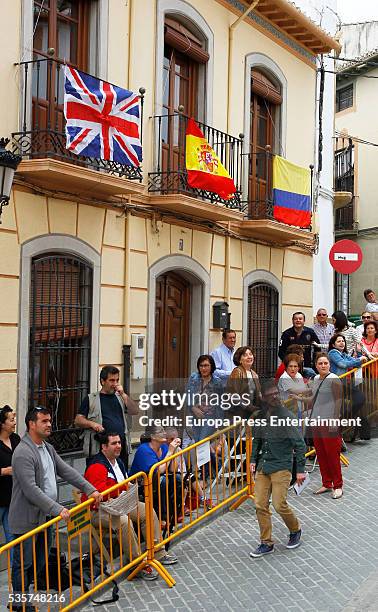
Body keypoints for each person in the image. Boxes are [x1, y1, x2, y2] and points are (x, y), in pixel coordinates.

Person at [9, 407, 101, 602]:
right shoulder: (23, 452)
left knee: (39, 562)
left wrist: (90, 488)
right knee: (22, 564)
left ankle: (27, 597)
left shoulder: (47, 448)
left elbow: (66, 471)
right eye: (44, 421)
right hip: (27, 519)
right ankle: (18, 603)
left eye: (50, 420)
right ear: (31, 424)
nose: (49, 424)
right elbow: (31, 489)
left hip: (45, 517)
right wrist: (57, 508)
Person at [83, 431, 177, 580]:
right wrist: (122, 490)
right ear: (104, 447)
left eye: (119, 443)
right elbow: (99, 496)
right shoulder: (97, 466)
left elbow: (124, 484)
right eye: (114, 443)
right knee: (124, 521)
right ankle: (137, 563)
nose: (118, 446)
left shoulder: (118, 462)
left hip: (119, 503)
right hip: (99, 510)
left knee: (147, 509)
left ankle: (158, 552)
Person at [249, 381, 307, 558]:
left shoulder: (286, 416)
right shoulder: (259, 416)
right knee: (259, 504)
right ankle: (266, 542)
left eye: (276, 393)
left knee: (279, 504)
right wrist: (252, 460)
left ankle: (295, 529)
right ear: (263, 398)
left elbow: (300, 444)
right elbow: (257, 439)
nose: (274, 396)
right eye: (270, 394)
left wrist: (300, 470)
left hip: (282, 465)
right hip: (263, 465)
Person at [75, 365, 139, 469]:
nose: (115, 384)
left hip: (120, 448)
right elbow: (78, 420)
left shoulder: (120, 397)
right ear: (102, 381)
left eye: (117, 380)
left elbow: (135, 411)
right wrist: (92, 424)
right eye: (111, 380)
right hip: (99, 449)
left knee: (121, 479)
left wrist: (123, 394)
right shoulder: (91, 399)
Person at [129, 426, 182, 523]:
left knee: (177, 478)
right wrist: (170, 452)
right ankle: (161, 515)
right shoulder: (144, 450)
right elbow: (158, 471)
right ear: (153, 436)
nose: (165, 433)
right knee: (163, 481)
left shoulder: (164, 447)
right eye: (161, 431)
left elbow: (172, 469)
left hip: (156, 480)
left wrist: (176, 451)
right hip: (141, 483)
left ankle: (173, 512)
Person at [310, 353, 344, 499]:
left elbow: (338, 401)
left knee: (332, 454)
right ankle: (326, 482)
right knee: (321, 453)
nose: (323, 366)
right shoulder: (315, 379)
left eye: (325, 363)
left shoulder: (334, 379)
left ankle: (338, 485)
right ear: (316, 366)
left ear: (329, 365)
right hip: (316, 421)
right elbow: (312, 398)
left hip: (329, 421)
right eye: (320, 363)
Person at [186, 355, 223, 442]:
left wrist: (219, 425)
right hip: (194, 416)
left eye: (206, 365)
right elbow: (187, 396)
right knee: (196, 441)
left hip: (209, 418)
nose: (203, 368)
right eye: (201, 366)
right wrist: (193, 408)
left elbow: (220, 405)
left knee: (202, 442)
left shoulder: (217, 382)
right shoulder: (193, 378)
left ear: (211, 366)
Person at [0, 406, 20, 551]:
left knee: (12, 538)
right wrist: (4, 471)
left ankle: (16, 572)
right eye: (11, 420)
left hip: (12, 497)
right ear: (2, 424)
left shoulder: (16, 439)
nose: (14, 423)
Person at [227, 346, 262, 420]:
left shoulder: (254, 374)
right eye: (245, 355)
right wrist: (249, 407)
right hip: (239, 413)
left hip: (251, 414)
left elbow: (259, 394)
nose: (249, 357)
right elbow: (233, 395)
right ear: (239, 360)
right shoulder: (237, 372)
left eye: (250, 354)